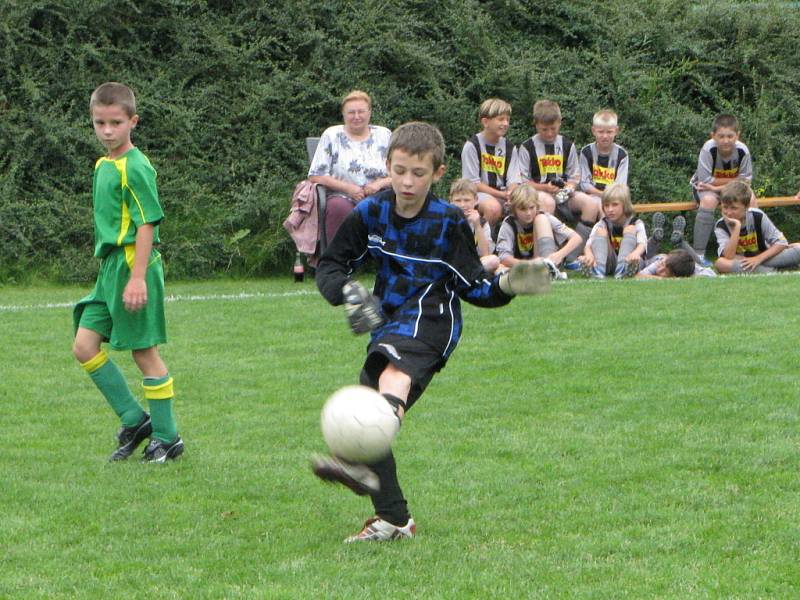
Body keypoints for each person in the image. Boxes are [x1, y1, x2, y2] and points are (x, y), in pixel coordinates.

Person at [311, 122, 551, 543]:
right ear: (387, 166)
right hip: (389, 320)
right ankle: (394, 520)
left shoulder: (447, 221)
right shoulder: (370, 212)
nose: (407, 181)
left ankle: (353, 461)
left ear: (437, 173)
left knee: (389, 382)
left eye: (418, 173)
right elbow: (330, 265)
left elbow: (473, 285)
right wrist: (347, 291)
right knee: (373, 405)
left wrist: (508, 286)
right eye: (399, 170)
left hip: (433, 321)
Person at [72, 82, 183, 463]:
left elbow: (147, 224)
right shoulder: (103, 165)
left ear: (132, 122)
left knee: (143, 353)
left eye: (115, 122)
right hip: (109, 270)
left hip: (134, 266)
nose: (107, 130)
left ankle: (168, 438)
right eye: (99, 122)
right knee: (84, 346)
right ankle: (135, 421)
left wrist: (137, 278)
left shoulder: (136, 166)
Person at [308, 90, 393, 244]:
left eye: (361, 111)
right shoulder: (331, 135)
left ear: (369, 112)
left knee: (385, 205)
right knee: (338, 208)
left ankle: (384, 256)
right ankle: (337, 260)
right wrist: (348, 188)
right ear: (343, 114)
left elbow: (398, 172)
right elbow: (316, 175)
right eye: (351, 112)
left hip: (379, 193)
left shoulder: (384, 135)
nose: (356, 116)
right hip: (341, 195)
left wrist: (378, 184)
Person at [510, 99, 597, 250]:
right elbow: (523, 181)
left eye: (553, 128)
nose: (549, 133)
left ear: (559, 123)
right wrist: (545, 187)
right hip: (538, 193)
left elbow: (575, 176)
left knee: (590, 204)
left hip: (564, 194)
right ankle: (548, 253)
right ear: (536, 124)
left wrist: (569, 187)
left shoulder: (567, 145)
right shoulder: (527, 147)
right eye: (544, 129)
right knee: (547, 203)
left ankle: (576, 253)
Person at [690, 114, 755, 264]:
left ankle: (752, 248)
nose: (726, 140)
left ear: (737, 135)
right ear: (713, 136)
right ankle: (698, 255)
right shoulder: (708, 149)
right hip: (706, 188)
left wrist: (717, 185)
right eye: (721, 136)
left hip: (729, 188)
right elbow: (705, 180)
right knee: (708, 201)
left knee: (751, 199)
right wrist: (730, 181)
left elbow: (746, 182)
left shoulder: (742, 150)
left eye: (730, 136)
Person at [714, 181, 800, 274]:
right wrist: (737, 227)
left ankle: (767, 269)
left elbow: (781, 243)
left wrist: (757, 259)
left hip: (764, 256)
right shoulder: (721, 225)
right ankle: (775, 271)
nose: (728, 212)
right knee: (720, 263)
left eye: (734, 208)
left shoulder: (757, 216)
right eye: (725, 207)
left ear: (746, 207)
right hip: (743, 262)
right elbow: (728, 257)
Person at [495, 184, 582, 275]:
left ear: (537, 206)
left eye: (531, 208)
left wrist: (559, 255)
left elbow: (576, 238)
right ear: (514, 209)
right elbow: (504, 258)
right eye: (523, 209)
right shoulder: (509, 223)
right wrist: (530, 264)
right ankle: (542, 270)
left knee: (541, 219)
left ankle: (548, 268)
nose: (528, 213)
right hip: (522, 266)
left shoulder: (543, 216)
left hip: (543, 260)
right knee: (500, 269)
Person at [460, 98, 516, 227]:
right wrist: (501, 195)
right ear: (486, 122)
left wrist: (511, 194)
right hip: (478, 194)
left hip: (504, 194)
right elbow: (473, 184)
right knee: (493, 208)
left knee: (526, 204)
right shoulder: (472, 146)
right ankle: (481, 242)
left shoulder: (510, 147)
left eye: (507, 119)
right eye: (501, 119)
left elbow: (514, 180)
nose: (506, 123)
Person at [579, 183, 647, 279]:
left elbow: (642, 244)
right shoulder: (602, 224)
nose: (610, 209)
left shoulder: (636, 222)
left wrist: (635, 253)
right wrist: (589, 255)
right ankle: (598, 270)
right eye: (606, 206)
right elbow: (588, 245)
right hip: (610, 262)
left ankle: (624, 269)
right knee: (600, 231)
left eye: (615, 205)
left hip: (631, 259)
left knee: (630, 229)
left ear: (625, 205)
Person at [577, 109, 628, 207]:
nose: (605, 136)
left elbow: (620, 186)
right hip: (590, 197)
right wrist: (601, 195)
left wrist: (607, 198)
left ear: (616, 131)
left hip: (614, 199)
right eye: (600, 132)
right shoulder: (586, 152)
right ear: (593, 131)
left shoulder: (622, 155)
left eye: (609, 132)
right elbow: (584, 183)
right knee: (595, 204)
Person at [449, 178, 501, 274]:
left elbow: (485, 254)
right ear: (451, 201)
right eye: (458, 200)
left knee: (494, 261)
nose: (462, 205)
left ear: (476, 200)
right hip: (452, 264)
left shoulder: (481, 222)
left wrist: (477, 226)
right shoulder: (447, 219)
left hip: (474, 264)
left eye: (467, 200)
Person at [636, 250, 717, 279]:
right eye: (662, 265)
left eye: (665, 272)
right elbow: (638, 276)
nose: (659, 270)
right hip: (646, 262)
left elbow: (712, 274)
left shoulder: (692, 270)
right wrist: (663, 279)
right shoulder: (660, 261)